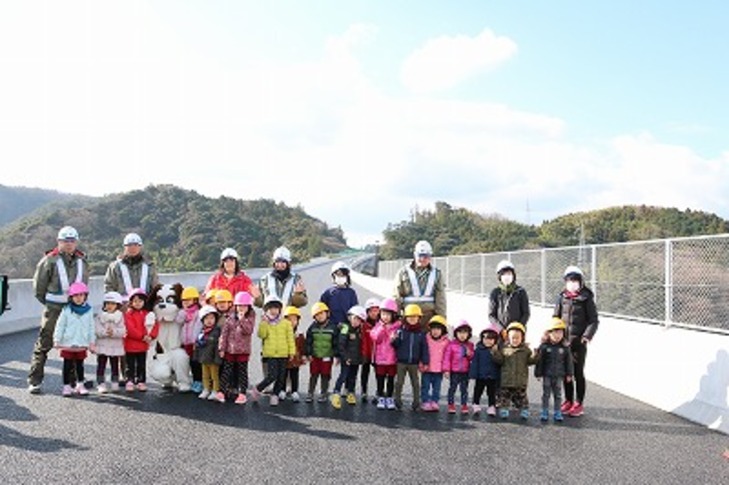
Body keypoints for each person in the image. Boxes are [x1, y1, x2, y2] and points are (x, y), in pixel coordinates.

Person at [28, 225, 90, 394]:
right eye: (65, 241)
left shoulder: (81, 261)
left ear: (76, 242)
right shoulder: (49, 260)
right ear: (59, 241)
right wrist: (49, 304)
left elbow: (84, 284)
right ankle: (35, 380)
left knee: (72, 344)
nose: (69, 244)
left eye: (72, 241)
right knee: (44, 343)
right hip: (54, 309)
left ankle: (71, 382)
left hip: (74, 309)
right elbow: (39, 289)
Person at [553, 265, 599, 417]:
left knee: (578, 372)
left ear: (580, 282)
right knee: (566, 372)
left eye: (575, 280)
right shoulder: (562, 297)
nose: (572, 283)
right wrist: (553, 335)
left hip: (579, 343)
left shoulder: (586, 298)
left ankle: (579, 403)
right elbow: (556, 318)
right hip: (563, 342)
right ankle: (568, 400)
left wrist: (586, 336)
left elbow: (593, 320)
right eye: (569, 280)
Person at [250, 296, 295, 406]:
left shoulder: (286, 323)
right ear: (266, 310)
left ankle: (275, 395)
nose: (273, 311)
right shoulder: (265, 322)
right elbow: (261, 335)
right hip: (270, 354)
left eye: (276, 308)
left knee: (281, 377)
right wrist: (264, 323)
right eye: (271, 308)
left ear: (280, 309)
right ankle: (257, 389)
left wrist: (292, 352)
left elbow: (290, 338)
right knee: (272, 375)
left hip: (283, 353)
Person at [53, 282, 96, 396]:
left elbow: (91, 327)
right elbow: (60, 325)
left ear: (85, 296)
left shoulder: (89, 310)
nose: (78, 298)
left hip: (81, 343)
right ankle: (66, 386)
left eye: (81, 295)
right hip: (68, 343)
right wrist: (57, 339)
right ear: (71, 297)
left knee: (80, 365)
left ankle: (80, 385)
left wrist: (92, 342)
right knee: (67, 366)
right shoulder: (66, 310)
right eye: (75, 296)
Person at [393, 240, 446, 328]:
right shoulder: (403, 272)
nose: (423, 259)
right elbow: (396, 296)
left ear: (430, 256)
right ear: (414, 255)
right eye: (420, 255)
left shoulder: (437, 274)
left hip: (428, 318)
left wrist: (441, 320)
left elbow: (441, 299)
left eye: (426, 256)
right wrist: (396, 317)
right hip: (408, 318)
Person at [491, 322, 538, 420]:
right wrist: (495, 352)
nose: (515, 340)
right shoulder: (505, 349)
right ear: (508, 338)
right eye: (513, 338)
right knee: (504, 397)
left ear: (522, 338)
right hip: (507, 380)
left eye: (518, 338)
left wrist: (535, 354)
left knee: (522, 398)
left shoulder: (525, 350)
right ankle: (504, 409)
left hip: (520, 381)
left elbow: (530, 361)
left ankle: (524, 410)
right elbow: (500, 360)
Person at [218, 291, 255, 405]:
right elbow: (224, 334)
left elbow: (248, 330)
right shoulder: (230, 317)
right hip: (230, 349)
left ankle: (242, 393)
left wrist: (242, 319)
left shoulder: (250, 317)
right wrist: (222, 348)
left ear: (249, 306)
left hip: (243, 351)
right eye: (239, 305)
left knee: (242, 372)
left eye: (244, 306)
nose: (241, 308)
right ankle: (221, 391)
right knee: (226, 371)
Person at [535, 318, 574, 422]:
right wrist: (538, 373)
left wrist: (569, 374)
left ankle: (557, 412)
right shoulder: (544, 347)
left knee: (558, 394)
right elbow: (540, 361)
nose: (558, 335)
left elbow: (569, 362)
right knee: (546, 394)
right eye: (555, 332)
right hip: (547, 375)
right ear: (549, 333)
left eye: (560, 332)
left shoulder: (565, 347)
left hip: (559, 375)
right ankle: (544, 411)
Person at [392, 304, 430, 411]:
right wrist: (394, 340)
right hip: (401, 362)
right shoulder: (401, 331)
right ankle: (397, 400)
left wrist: (425, 361)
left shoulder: (421, 334)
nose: (412, 319)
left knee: (415, 383)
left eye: (415, 317)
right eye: (410, 317)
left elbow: (424, 349)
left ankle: (416, 402)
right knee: (399, 382)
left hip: (414, 362)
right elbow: (396, 346)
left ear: (419, 318)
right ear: (405, 318)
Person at [104, 232, 159, 301]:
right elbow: (109, 286)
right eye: (129, 245)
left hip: (145, 306)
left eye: (136, 245)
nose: (133, 248)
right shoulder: (115, 267)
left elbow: (155, 287)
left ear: (140, 246)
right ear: (124, 247)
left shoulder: (150, 266)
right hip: (122, 307)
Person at [123, 288, 158, 392]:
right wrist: (143, 336)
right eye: (135, 301)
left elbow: (155, 325)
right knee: (130, 364)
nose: (137, 303)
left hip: (143, 346)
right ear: (131, 302)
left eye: (140, 301)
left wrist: (151, 336)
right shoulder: (128, 314)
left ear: (144, 302)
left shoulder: (148, 314)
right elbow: (130, 329)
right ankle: (130, 380)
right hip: (130, 344)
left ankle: (141, 381)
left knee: (141, 364)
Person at [330, 305, 365, 409]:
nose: (356, 321)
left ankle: (350, 393)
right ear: (349, 317)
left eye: (359, 320)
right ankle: (336, 394)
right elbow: (341, 344)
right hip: (347, 359)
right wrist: (345, 357)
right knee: (343, 376)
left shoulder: (360, 330)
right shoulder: (345, 328)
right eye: (354, 318)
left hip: (356, 359)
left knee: (353, 377)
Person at [304, 302, 338, 403]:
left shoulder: (333, 327)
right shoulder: (312, 328)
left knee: (325, 375)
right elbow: (308, 342)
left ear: (327, 313)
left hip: (327, 356)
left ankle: (324, 393)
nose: (320, 316)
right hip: (315, 357)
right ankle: (310, 393)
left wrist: (336, 355)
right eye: (317, 315)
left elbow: (336, 342)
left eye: (322, 313)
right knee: (313, 375)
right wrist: (308, 353)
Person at [370, 298, 400, 410]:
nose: (385, 317)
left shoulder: (398, 327)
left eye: (388, 314)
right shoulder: (378, 326)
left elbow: (400, 342)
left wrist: (395, 339)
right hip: (380, 359)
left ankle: (389, 397)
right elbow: (375, 338)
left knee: (391, 379)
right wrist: (382, 328)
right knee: (380, 378)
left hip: (392, 359)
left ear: (393, 315)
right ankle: (381, 396)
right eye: (383, 314)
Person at [94, 291, 126, 393]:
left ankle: (114, 382)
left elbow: (123, 331)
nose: (110, 306)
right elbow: (96, 330)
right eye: (107, 303)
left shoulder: (120, 317)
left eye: (112, 304)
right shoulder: (100, 316)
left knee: (115, 364)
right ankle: (100, 383)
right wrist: (104, 332)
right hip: (102, 345)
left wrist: (114, 332)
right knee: (101, 364)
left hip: (115, 346)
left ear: (117, 305)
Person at [488, 260, 530, 333]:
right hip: (500, 333)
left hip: (517, 332)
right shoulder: (495, 292)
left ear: (513, 275)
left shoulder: (520, 291)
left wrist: (518, 328)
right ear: (499, 276)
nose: (506, 276)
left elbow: (526, 313)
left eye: (509, 273)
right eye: (503, 274)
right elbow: (491, 315)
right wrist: (501, 329)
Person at [443, 320, 474, 414]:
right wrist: (446, 370)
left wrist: (470, 354)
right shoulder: (451, 345)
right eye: (460, 332)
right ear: (456, 333)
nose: (462, 335)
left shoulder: (470, 345)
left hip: (465, 371)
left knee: (464, 390)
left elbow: (472, 357)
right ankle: (451, 404)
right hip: (454, 371)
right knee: (452, 388)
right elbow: (447, 358)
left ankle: (464, 405)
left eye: (465, 332)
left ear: (468, 334)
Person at [194, 305, 224, 402]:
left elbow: (217, 347)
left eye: (212, 318)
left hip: (213, 359)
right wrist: (196, 356)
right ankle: (206, 389)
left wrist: (217, 359)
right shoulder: (202, 332)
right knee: (205, 376)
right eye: (206, 318)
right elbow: (198, 346)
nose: (209, 320)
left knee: (214, 376)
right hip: (203, 358)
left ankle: (215, 390)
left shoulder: (217, 331)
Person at [470, 324, 501, 416]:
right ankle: (476, 404)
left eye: (491, 339)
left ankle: (491, 406)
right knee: (478, 391)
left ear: (495, 340)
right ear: (482, 338)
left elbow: (500, 362)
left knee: (491, 392)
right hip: (480, 375)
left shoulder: (497, 350)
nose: (488, 341)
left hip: (492, 376)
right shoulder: (479, 350)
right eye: (486, 338)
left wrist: (495, 353)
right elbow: (475, 362)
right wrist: (473, 374)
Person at [420, 315, 449, 412]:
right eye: (433, 328)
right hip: (427, 368)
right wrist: (421, 364)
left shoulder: (446, 342)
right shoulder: (426, 339)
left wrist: (446, 369)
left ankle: (435, 401)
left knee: (436, 388)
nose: (435, 331)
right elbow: (422, 352)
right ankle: (425, 401)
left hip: (438, 370)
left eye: (438, 329)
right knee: (425, 386)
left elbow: (447, 357)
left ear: (443, 330)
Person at [320, 261, 359, 328]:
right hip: (331, 329)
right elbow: (321, 311)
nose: (341, 277)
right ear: (333, 276)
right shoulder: (328, 293)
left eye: (343, 275)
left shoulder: (351, 293)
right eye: (338, 274)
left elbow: (355, 312)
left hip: (347, 328)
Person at [180, 286, 203, 393]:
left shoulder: (199, 312)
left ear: (195, 300)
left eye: (188, 300)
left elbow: (200, 327)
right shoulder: (183, 312)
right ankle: (189, 380)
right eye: (184, 300)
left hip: (195, 343)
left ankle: (198, 381)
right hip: (185, 342)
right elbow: (177, 321)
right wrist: (182, 312)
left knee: (196, 363)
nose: (186, 302)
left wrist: (197, 340)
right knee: (187, 362)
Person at [283, 306, 306, 403]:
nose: (292, 322)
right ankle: (282, 390)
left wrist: (304, 355)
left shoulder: (299, 334)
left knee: (294, 375)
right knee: (283, 375)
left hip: (296, 359)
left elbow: (302, 347)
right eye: (289, 319)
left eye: (294, 319)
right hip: (284, 358)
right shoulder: (282, 332)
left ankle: (294, 391)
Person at [360, 297, 380, 403]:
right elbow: (362, 340)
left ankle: (379, 392)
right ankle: (364, 391)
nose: (374, 313)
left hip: (378, 354)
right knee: (365, 371)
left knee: (379, 373)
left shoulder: (381, 324)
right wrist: (363, 353)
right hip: (366, 353)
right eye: (371, 311)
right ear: (367, 312)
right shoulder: (363, 325)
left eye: (376, 311)